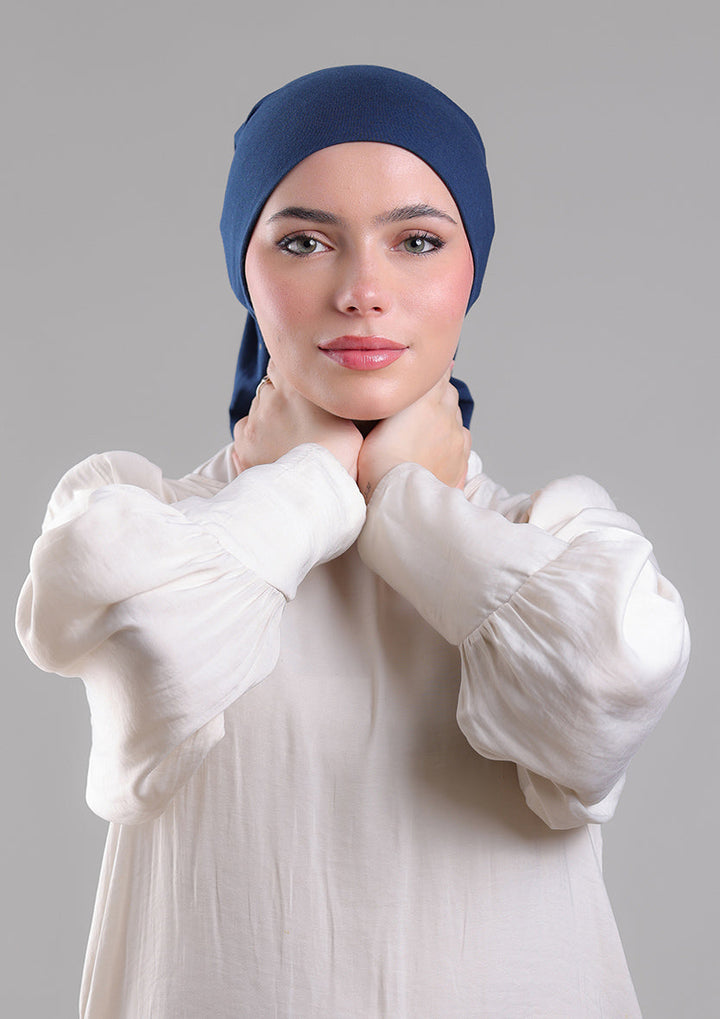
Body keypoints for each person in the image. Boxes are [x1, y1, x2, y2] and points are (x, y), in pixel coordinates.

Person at [16, 65, 689, 1018]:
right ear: (245, 271)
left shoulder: (555, 544)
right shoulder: (138, 521)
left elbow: (602, 681)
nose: (364, 291)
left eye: (417, 241)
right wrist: (310, 489)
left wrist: (409, 510)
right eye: (304, 241)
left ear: (472, 271)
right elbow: (154, 652)